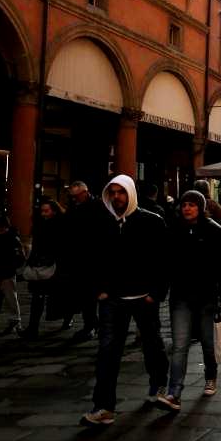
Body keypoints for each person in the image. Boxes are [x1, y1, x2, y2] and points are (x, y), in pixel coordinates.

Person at [81, 174, 169, 427]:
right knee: (107, 351)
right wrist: (98, 289)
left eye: (121, 192)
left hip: (144, 297)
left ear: (131, 194)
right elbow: (91, 257)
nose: (117, 197)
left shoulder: (151, 221)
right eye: (113, 192)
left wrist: (156, 293)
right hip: (112, 299)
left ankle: (158, 386)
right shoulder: (102, 223)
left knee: (152, 345)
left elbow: (163, 261)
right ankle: (104, 406)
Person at [157, 190, 221, 411]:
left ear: (200, 207)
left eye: (191, 205)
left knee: (208, 343)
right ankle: (174, 393)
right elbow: (165, 264)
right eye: (184, 205)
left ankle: (210, 376)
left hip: (207, 295)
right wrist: (160, 291)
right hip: (180, 296)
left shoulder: (214, 231)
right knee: (180, 345)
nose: (187, 208)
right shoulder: (173, 230)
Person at [61, 181, 103, 341]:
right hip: (78, 258)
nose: (74, 198)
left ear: (85, 192)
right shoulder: (74, 206)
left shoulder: (98, 206)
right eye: (72, 196)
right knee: (86, 295)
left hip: (94, 257)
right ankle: (91, 324)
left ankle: (94, 325)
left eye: (76, 196)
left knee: (93, 294)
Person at [20, 198, 67, 339]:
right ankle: (33, 327)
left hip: (55, 265)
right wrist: (32, 261)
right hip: (39, 265)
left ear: (54, 211)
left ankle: (67, 319)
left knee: (61, 295)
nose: (43, 214)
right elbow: (36, 246)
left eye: (46, 211)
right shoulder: (38, 225)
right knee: (37, 297)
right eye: (42, 211)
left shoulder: (61, 225)